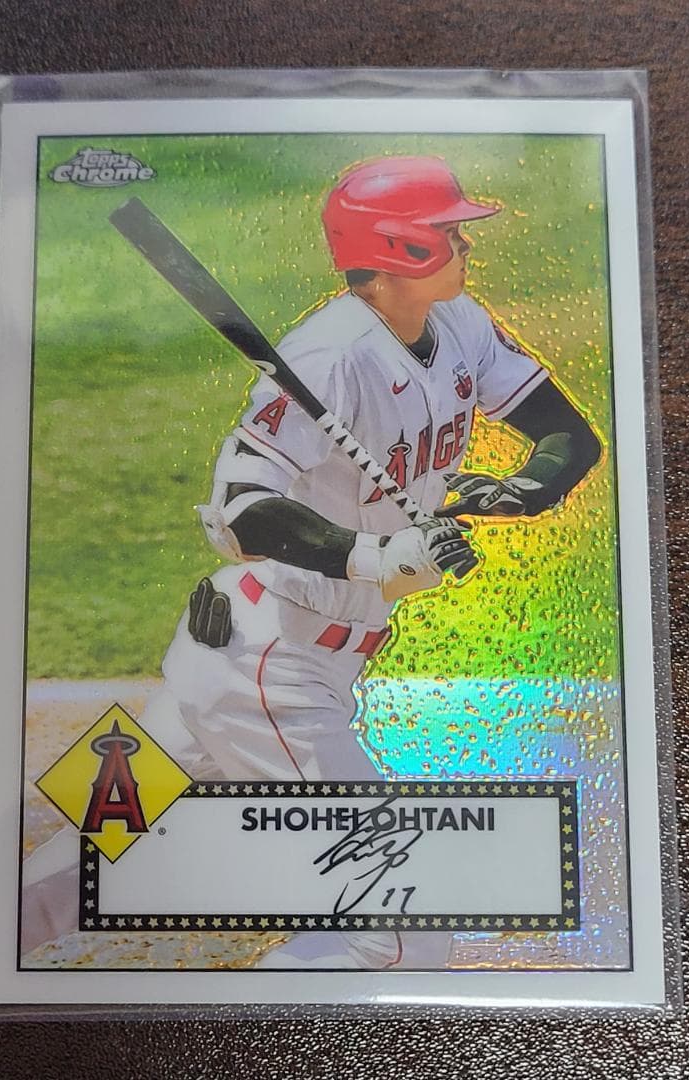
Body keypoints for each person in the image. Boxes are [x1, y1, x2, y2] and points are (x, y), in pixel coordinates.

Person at [134, 154, 602, 969]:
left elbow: (570, 436)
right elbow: (241, 509)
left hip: (257, 651)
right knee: (402, 931)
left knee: (77, 861)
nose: (466, 244)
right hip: (268, 669)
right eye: (449, 232)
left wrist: (519, 490)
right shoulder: (330, 358)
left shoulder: (459, 323)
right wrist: (374, 553)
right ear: (400, 250)